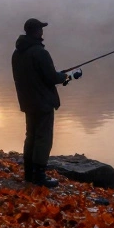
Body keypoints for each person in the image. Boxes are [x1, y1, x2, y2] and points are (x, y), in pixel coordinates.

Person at [11, 18, 81, 187]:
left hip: (28, 102)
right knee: (43, 138)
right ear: (36, 32)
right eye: (41, 29)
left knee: (31, 137)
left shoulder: (17, 53)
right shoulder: (40, 52)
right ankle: (40, 176)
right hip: (43, 103)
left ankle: (29, 173)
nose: (43, 32)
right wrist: (66, 76)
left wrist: (58, 75)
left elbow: (36, 75)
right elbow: (51, 78)